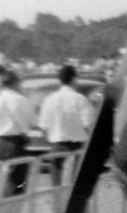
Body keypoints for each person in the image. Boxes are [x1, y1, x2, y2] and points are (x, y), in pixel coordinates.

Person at [38, 64, 93, 184]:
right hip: (77, 146)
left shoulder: (50, 99)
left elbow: (43, 126)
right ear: (73, 79)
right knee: (76, 184)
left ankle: (57, 202)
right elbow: (88, 124)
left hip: (57, 145)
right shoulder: (80, 99)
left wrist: (52, 138)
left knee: (56, 184)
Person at [0, 68, 37, 197]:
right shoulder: (22, 100)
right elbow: (33, 122)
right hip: (15, 145)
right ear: (16, 83)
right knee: (17, 185)